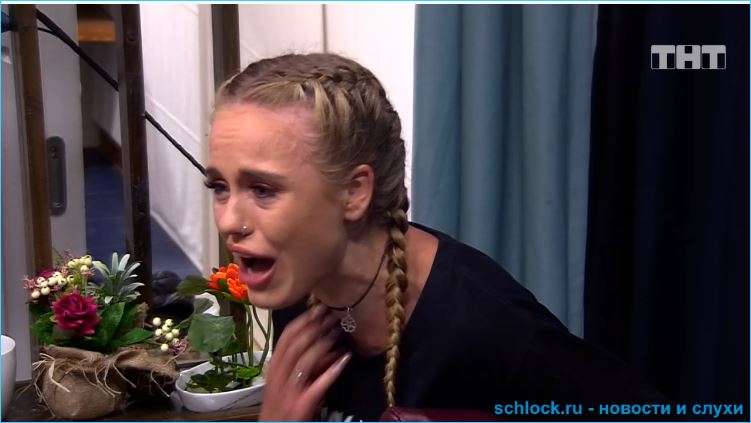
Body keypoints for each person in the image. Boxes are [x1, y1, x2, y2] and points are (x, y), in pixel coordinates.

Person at [205, 53, 671, 421]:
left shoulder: (484, 327)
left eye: (262, 190)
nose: (229, 220)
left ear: (354, 192)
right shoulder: (300, 284)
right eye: (220, 187)